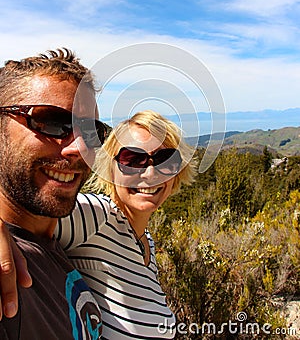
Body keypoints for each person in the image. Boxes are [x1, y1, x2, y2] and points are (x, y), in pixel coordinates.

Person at [55, 110, 196, 339]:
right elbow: (23, 207)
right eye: (132, 160)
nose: (151, 173)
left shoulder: (145, 241)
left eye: (165, 161)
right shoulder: (95, 217)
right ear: (110, 168)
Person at [0, 48, 105, 339]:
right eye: (52, 122)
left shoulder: (62, 237)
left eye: (91, 131)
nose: (79, 148)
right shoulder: (7, 269)